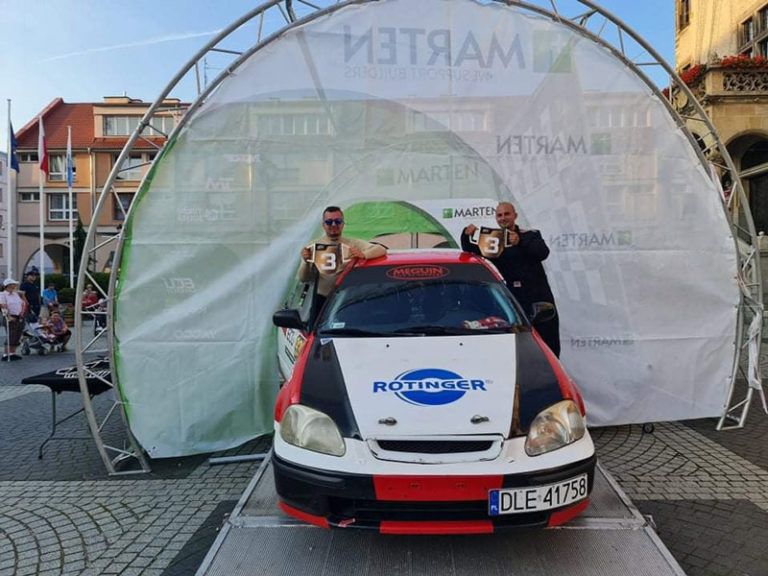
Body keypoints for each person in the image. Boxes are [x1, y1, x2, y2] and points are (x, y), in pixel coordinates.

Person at [461, 202, 561, 357]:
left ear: (515, 215)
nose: (503, 218)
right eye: (499, 215)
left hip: (538, 297)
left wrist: (520, 241)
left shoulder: (530, 235)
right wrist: (466, 234)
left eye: (506, 214)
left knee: (549, 343)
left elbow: (543, 252)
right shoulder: (493, 238)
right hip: (513, 299)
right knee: (516, 346)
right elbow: (471, 251)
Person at [297, 206, 387, 306]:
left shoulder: (352, 243)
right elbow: (303, 278)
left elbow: (381, 249)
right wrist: (305, 262)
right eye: (329, 222)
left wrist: (364, 254)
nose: (334, 225)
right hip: (320, 299)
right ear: (323, 225)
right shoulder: (313, 246)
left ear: (343, 224)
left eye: (338, 221)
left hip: (346, 299)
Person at [0, 279, 27, 361]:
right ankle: (6, 354)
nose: (15, 286)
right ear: (8, 285)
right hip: (10, 316)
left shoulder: (16, 294)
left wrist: (23, 296)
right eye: (13, 284)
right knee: (11, 335)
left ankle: (12, 353)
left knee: (18, 335)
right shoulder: (2, 294)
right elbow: (3, 306)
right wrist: (8, 316)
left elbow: (24, 303)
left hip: (19, 316)